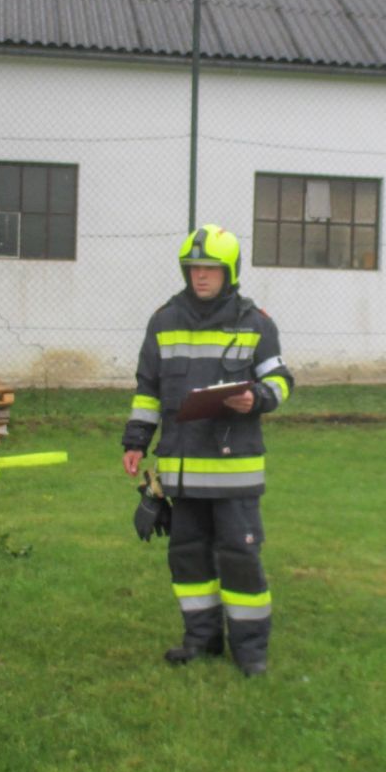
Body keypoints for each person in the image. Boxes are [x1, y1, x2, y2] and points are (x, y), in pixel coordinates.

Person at [122, 224, 294, 676]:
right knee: (188, 558)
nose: (200, 276)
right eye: (194, 268)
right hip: (181, 472)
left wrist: (257, 397)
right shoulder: (163, 321)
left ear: (229, 272)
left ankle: (250, 652)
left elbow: (281, 381)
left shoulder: (256, 323)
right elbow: (148, 389)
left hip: (234, 473)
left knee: (240, 559)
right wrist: (136, 440)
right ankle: (201, 640)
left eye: (211, 269)